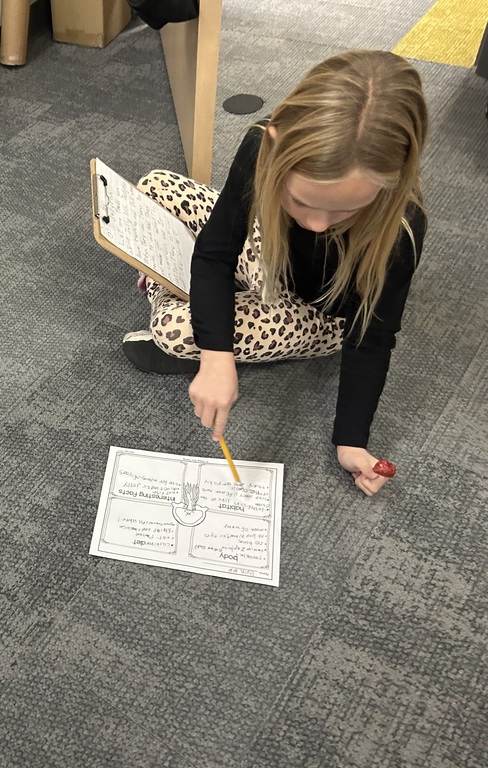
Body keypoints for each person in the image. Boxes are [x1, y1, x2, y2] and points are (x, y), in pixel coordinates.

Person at [121, 49, 428, 497]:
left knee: (175, 328)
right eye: (301, 201)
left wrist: (351, 441)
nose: (318, 224)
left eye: (346, 209)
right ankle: (180, 287)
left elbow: (371, 339)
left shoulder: (401, 230)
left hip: (318, 315)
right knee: (152, 189)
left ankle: (171, 288)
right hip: (268, 250)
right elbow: (216, 252)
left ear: (393, 181)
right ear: (276, 144)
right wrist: (217, 358)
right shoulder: (259, 144)